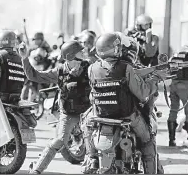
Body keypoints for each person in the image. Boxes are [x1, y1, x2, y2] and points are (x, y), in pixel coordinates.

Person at [85, 32, 165, 174]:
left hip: (102, 117)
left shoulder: (92, 68)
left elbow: (93, 95)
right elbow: (142, 93)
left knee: (88, 127)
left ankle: (92, 159)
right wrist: (156, 79)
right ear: (116, 49)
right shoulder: (125, 67)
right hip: (128, 117)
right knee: (147, 140)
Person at [18, 40, 91, 174]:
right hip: (68, 113)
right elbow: (34, 76)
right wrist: (24, 58)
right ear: (71, 56)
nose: (84, 52)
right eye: (80, 51)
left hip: (88, 113)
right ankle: (37, 169)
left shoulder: (90, 68)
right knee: (59, 141)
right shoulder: (60, 71)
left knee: (96, 141)